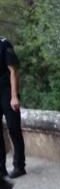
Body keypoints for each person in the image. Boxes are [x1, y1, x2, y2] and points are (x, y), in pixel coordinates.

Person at [0, 35, 26, 181]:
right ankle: (1, 170)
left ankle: (19, 165)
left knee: (13, 128)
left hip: (7, 91)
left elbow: (13, 70)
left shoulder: (4, 44)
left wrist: (14, 96)